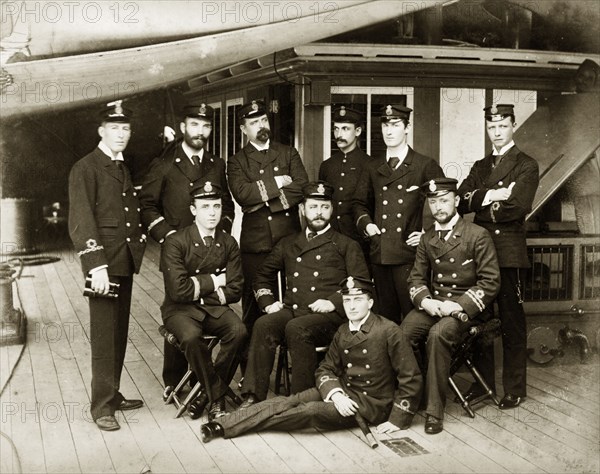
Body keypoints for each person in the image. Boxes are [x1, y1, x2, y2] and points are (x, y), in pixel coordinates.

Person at [199, 276, 411, 443]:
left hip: (369, 404)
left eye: (358, 300)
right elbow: (325, 369)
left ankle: (226, 427)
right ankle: (222, 423)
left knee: (307, 412)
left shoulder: (389, 331)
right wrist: (336, 394)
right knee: (290, 401)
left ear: (370, 302)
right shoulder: (344, 330)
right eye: (347, 301)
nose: (352, 306)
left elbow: (410, 377)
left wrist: (397, 420)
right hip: (342, 392)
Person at [239, 181, 370, 405]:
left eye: (324, 207)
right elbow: (262, 276)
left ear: (332, 209)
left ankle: (302, 400)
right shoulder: (288, 243)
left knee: (296, 328)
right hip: (293, 309)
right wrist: (269, 303)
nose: (319, 213)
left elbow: (361, 283)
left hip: (330, 318)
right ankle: (253, 395)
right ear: (302, 209)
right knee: (264, 324)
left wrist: (334, 301)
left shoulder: (346, 244)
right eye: (313, 207)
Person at [139, 103, 235, 398]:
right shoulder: (165, 163)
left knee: (209, 308)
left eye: (206, 126)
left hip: (209, 253)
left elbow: (227, 207)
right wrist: (167, 237)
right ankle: (174, 378)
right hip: (177, 253)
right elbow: (147, 205)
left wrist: (220, 239)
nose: (201, 132)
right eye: (195, 125)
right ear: (183, 127)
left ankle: (204, 380)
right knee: (179, 309)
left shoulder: (216, 164)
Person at [397, 177, 500, 434]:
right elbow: (416, 278)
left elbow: (490, 283)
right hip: (436, 306)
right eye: (433, 202)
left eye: (444, 201)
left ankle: (434, 412)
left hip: (467, 311)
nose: (439, 207)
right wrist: (427, 302)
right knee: (403, 332)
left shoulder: (477, 235)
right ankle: (411, 398)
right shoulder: (427, 237)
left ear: (456, 201)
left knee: (438, 334)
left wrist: (458, 306)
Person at [68, 100, 146, 431]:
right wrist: (95, 266)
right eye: (114, 128)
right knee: (103, 335)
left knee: (119, 332)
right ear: (101, 131)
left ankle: (112, 394)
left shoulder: (120, 166)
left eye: (125, 128)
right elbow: (81, 219)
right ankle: (101, 406)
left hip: (124, 259)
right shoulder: (86, 167)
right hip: (104, 264)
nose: (121, 134)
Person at [457, 104, 539, 409]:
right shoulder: (481, 166)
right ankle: (482, 385)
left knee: (511, 321)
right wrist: (493, 195)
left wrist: (481, 203)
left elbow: (517, 207)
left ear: (513, 126)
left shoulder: (526, 164)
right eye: (492, 127)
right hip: (480, 251)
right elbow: (460, 201)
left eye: (502, 126)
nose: (497, 132)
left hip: (507, 254)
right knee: (479, 319)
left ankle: (516, 388)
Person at [227, 99, 309, 364]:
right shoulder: (237, 161)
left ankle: (296, 363)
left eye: (263, 120)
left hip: (289, 240)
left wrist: (263, 201)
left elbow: (301, 187)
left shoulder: (288, 152)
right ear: (243, 129)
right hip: (256, 244)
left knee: (295, 302)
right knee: (254, 307)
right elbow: (242, 194)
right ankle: (250, 372)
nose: (261, 126)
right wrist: (277, 182)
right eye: (253, 123)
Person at [160, 181, 246, 420]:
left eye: (217, 206)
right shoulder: (176, 242)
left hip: (214, 308)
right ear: (193, 210)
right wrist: (216, 280)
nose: (212, 212)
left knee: (238, 331)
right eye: (205, 206)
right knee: (190, 337)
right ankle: (216, 397)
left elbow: (236, 288)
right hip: (179, 311)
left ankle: (202, 396)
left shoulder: (228, 242)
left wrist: (199, 286)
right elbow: (178, 291)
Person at [353, 104, 444, 323]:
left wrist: (426, 233)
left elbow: (444, 205)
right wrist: (367, 225)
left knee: (414, 320)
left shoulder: (424, 165)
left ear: (407, 127)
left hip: (410, 256)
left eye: (395, 125)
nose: (389, 131)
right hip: (380, 253)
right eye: (385, 125)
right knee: (386, 319)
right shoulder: (372, 166)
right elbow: (358, 204)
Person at [318, 106, 371, 266]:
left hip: (359, 239)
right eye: (336, 129)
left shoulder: (369, 164)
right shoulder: (327, 165)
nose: (339, 134)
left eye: (345, 129)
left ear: (358, 131)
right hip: (330, 239)